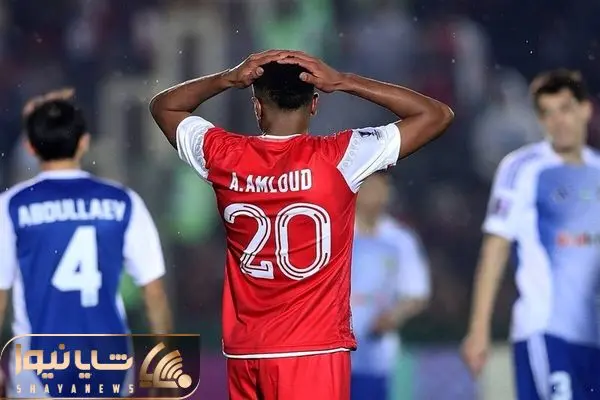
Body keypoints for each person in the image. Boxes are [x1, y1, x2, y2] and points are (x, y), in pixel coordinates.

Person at [150, 49, 453, 400]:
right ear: (314, 104)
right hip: (314, 350)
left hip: (247, 352)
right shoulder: (343, 156)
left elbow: (164, 107)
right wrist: (343, 81)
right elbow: (436, 114)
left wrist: (227, 78)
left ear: (257, 107)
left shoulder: (223, 154)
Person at [0, 89, 172, 398]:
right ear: (84, 142)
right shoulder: (123, 201)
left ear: (30, 146)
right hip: (108, 362)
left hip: (37, 366)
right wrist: (164, 372)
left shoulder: (12, 206)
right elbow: (154, 293)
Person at [461, 69, 600, 399]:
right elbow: (496, 247)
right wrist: (478, 328)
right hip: (546, 330)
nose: (558, 121)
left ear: (585, 109)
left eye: (565, 109)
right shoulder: (523, 168)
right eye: (547, 113)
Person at [351, 171, 430, 400]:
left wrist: (393, 317)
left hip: (375, 355)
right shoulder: (335, 233)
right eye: (369, 187)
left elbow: (417, 293)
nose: (375, 194)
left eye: (381, 187)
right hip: (332, 351)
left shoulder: (400, 239)